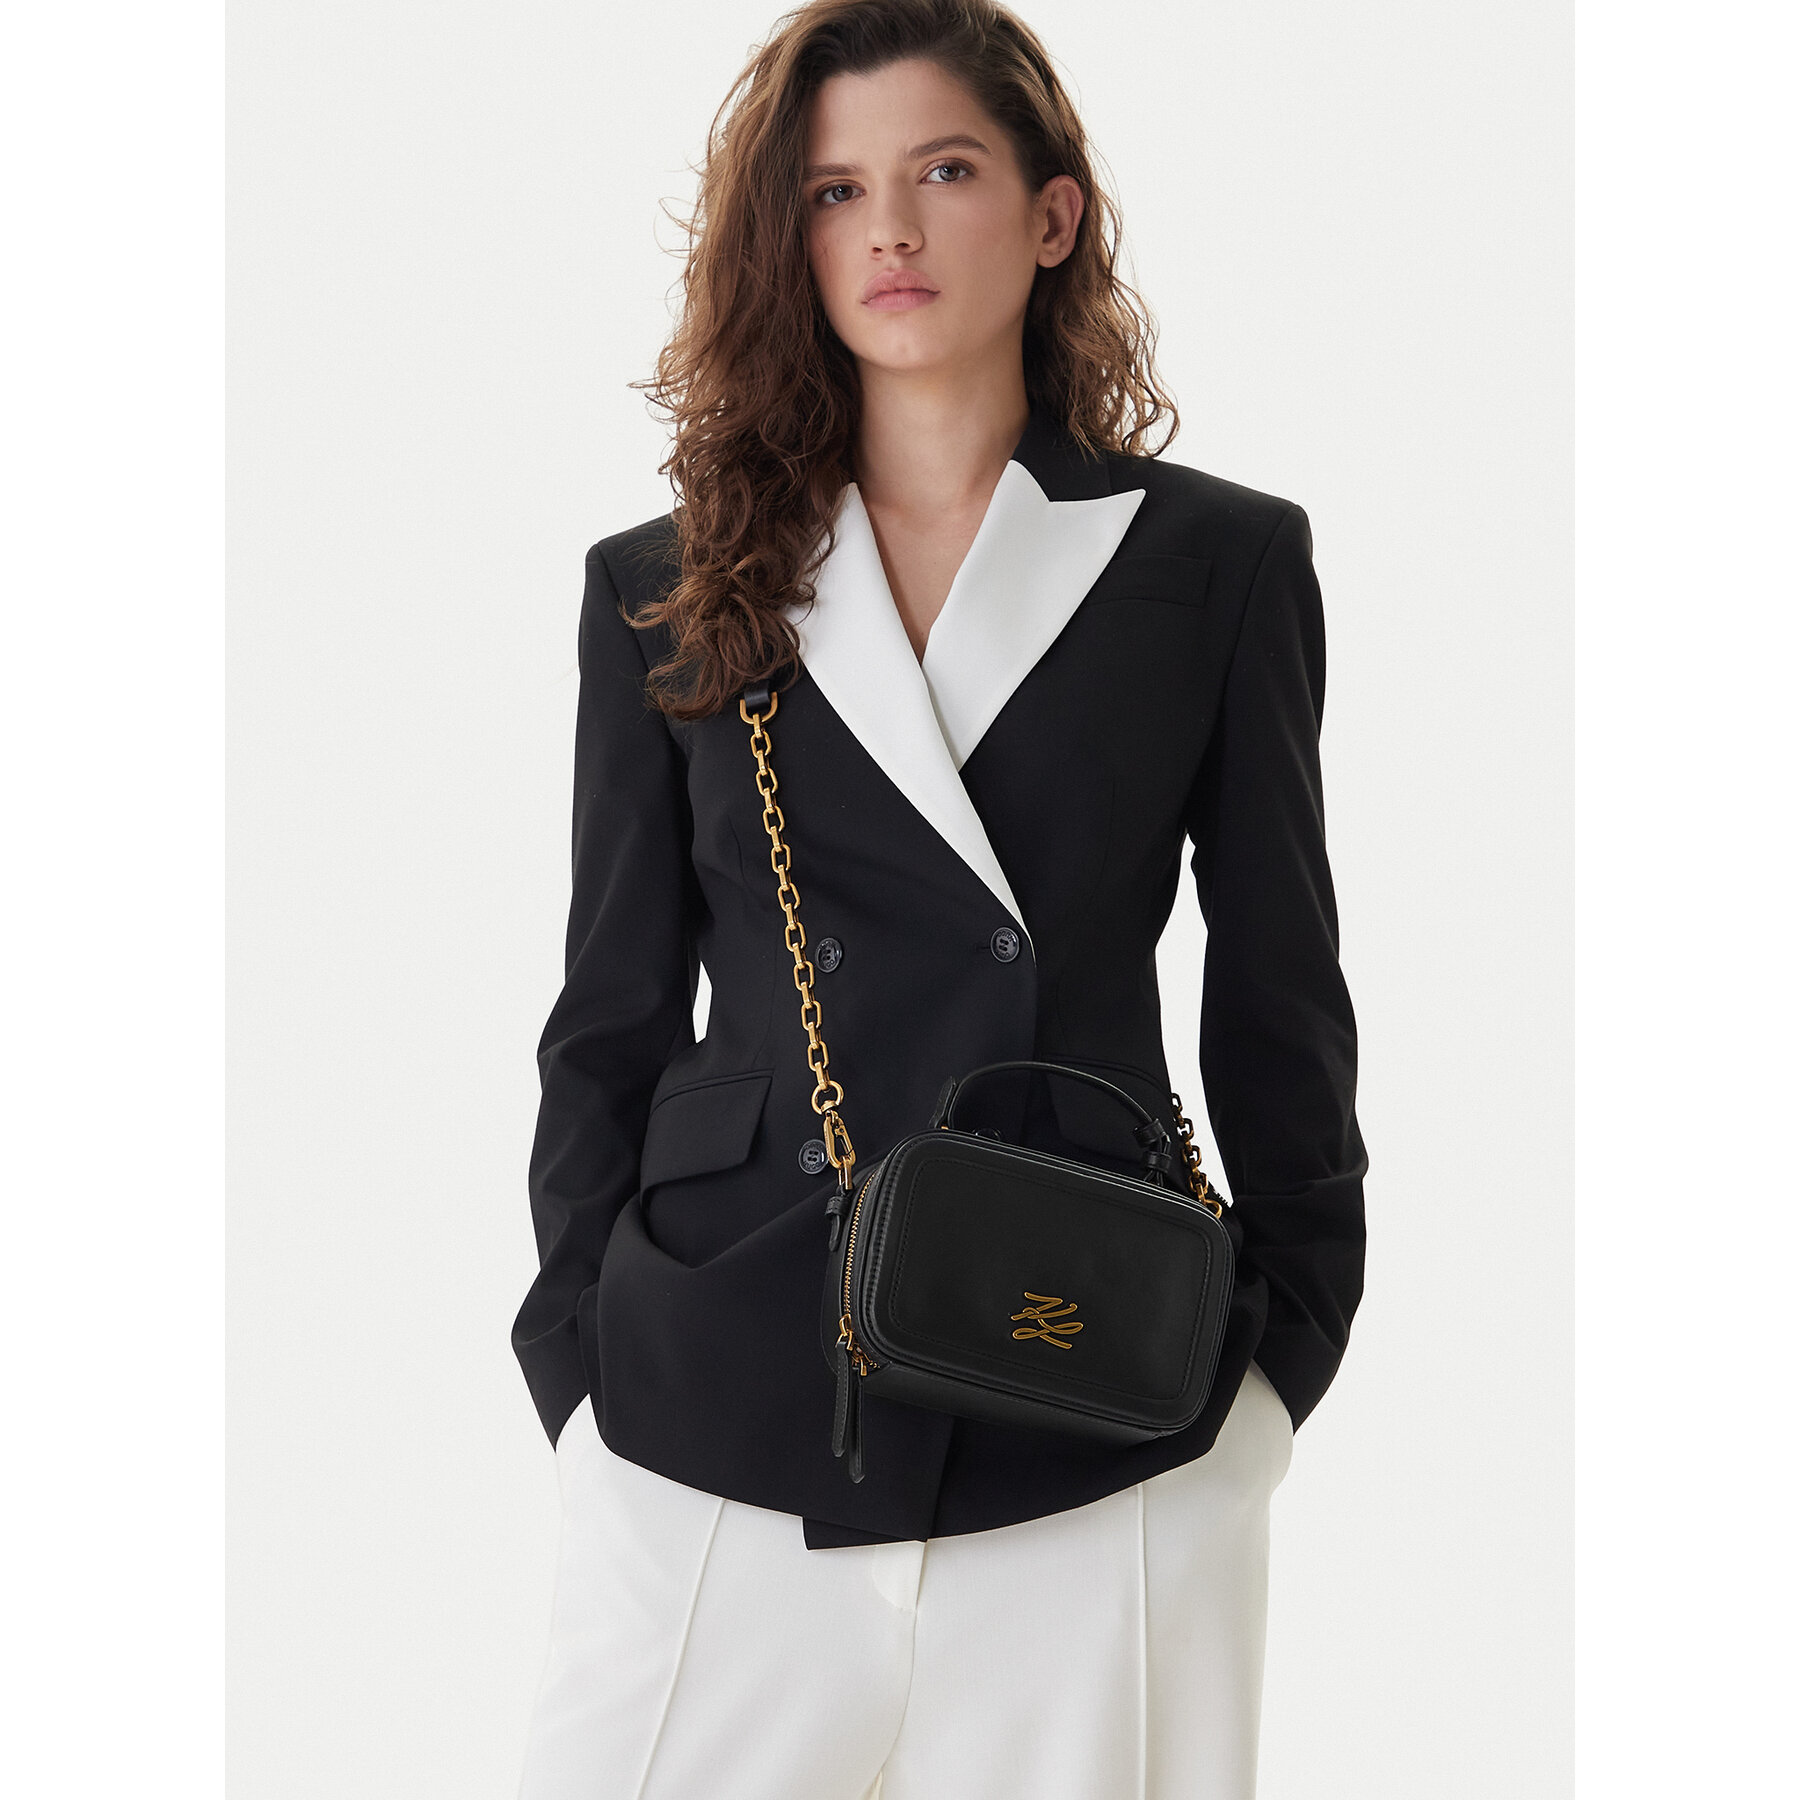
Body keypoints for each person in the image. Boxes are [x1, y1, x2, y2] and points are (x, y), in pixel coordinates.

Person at [512, 2, 1367, 1794]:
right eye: (835, 190)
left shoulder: (1215, 564)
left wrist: (1274, 1374)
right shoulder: (667, 585)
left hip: (1101, 1404)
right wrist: (576, 1363)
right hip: (717, 1394)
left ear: (1052, 216)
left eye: (946, 171)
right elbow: (608, 1014)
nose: (888, 229)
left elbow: (1280, 992)